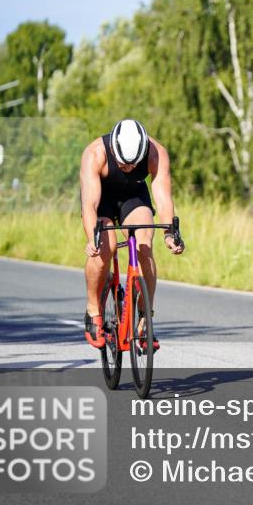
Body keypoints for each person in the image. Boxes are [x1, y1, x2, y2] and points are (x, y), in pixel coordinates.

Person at [79, 119, 184, 348]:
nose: (127, 168)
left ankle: (145, 318)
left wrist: (169, 233)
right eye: (122, 164)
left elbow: (164, 198)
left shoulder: (156, 153)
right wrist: (92, 238)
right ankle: (93, 309)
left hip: (133, 197)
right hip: (101, 200)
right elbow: (89, 204)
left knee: (144, 245)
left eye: (132, 165)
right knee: (105, 248)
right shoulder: (95, 153)